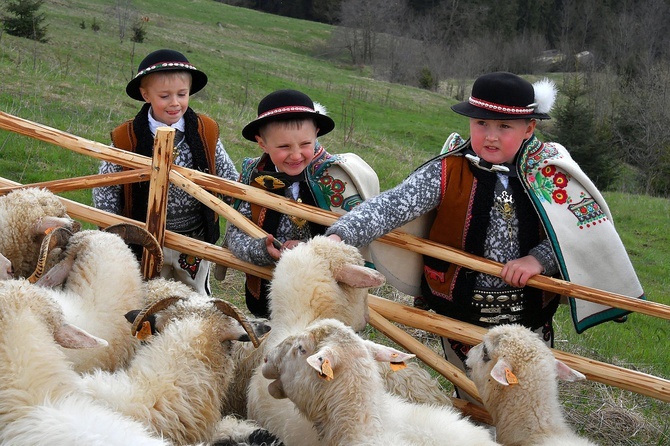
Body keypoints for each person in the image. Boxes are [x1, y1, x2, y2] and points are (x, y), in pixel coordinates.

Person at [325, 72, 644, 400]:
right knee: (473, 396)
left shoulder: (549, 172)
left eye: (504, 127)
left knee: (526, 400)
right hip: (460, 314)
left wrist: (540, 259)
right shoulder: (448, 170)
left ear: (529, 128)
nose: (490, 136)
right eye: (481, 124)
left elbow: (579, 232)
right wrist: (340, 235)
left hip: (528, 316)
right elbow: (392, 205)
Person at [92, 49, 239, 296]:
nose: (175, 103)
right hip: (144, 242)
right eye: (164, 96)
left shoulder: (205, 131)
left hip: (193, 239)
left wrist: (237, 208)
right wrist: (112, 234)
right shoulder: (126, 137)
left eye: (182, 94)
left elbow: (227, 178)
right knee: (145, 296)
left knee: (195, 297)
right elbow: (105, 189)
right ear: (145, 94)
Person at [225, 89, 379, 318]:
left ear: (317, 133)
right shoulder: (253, 177)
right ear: (262, 143)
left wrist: (310, 249)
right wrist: (262, 250)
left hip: (325, 302)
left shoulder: (337, 178)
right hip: (269, 299)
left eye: (305, 143)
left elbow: (355, 244)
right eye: (284, 147)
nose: (296, 155)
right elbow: (233, 236)